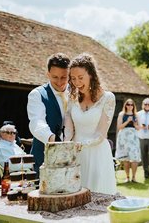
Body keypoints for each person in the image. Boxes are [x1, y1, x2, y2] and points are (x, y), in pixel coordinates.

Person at [64, 53, 116, 194]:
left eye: (81, 78)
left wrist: (83, 144)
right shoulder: (72, 98)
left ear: (91, 75)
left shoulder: (108, 98)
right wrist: (65, 143)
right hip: (75, 154)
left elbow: (101, 134)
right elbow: (69, 129)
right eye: (73, 78)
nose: (77, 82)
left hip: (97, 153)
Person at [27, 53, 70, 175]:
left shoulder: (75, 93)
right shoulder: (37, 94)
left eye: (64, 77)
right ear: (48, 74)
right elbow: (36, 123)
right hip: (44, 158)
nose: (60, 82)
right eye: (55, 77)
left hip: (72, 159)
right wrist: (52, 139)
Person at [115, 99, 141, 183]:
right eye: (128, 104)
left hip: (133, 137)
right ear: (125, 105)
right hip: (124, 137)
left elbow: (138, 128)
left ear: (133, 106)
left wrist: (133, 122)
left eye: (131, 105)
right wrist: (127, 121)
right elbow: (119, 127)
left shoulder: (136, 115)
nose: (130, 106)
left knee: (135, 157)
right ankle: (127, 177)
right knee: (126, 158)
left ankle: (133, 177)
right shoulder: (121, 114)